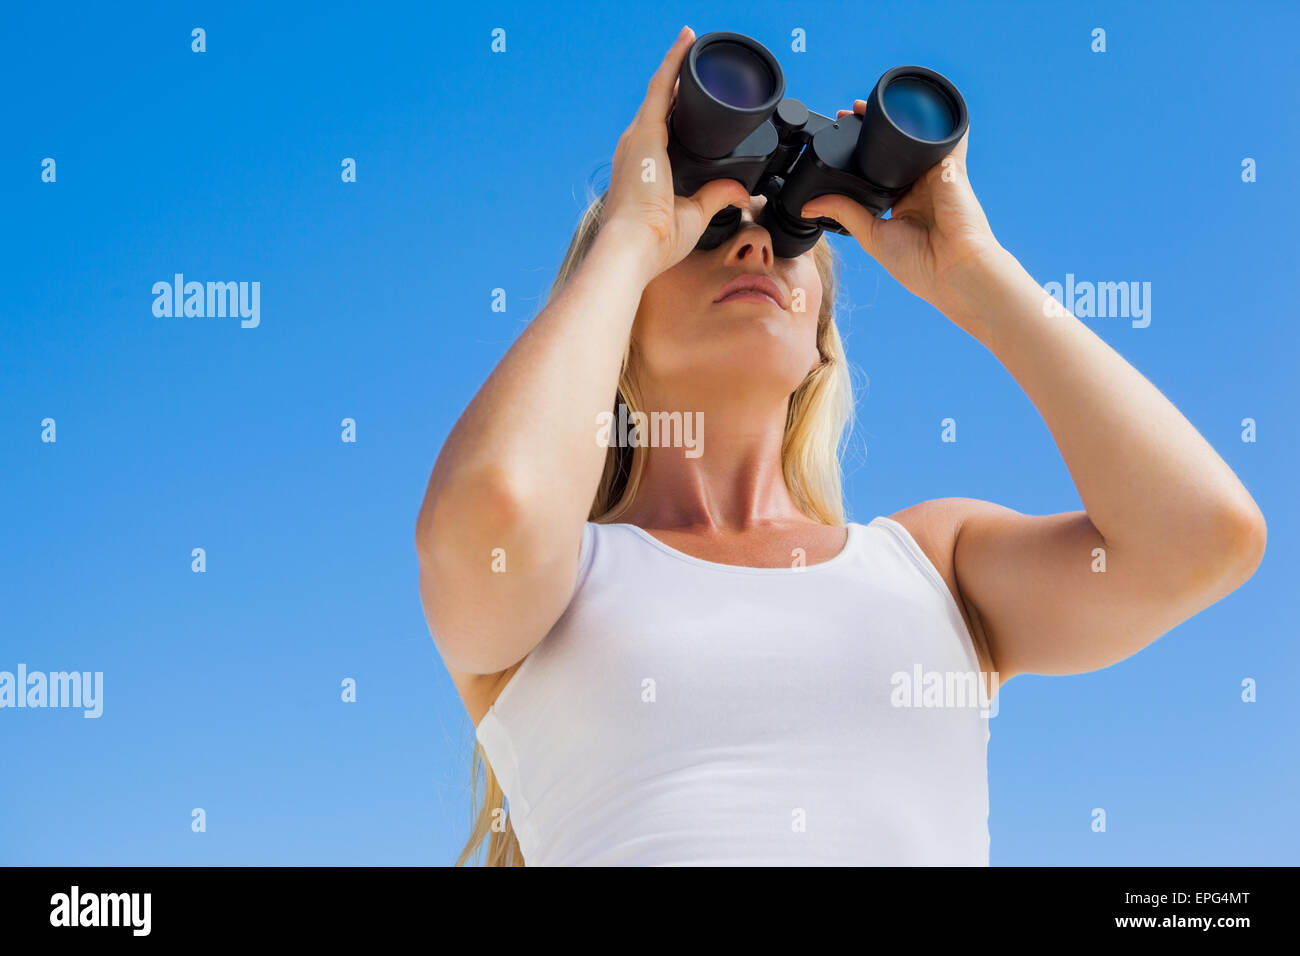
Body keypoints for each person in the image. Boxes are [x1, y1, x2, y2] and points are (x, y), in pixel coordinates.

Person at [415, 26, 1266, 866]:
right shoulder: (557, 581)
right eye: (708, 227)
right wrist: (631, 234)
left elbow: (1202, 539)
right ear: (613, 321)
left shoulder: (934, 566)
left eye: (791, 236)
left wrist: (976, 273)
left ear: (821, 342)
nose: (755, 242)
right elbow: (497, 503)